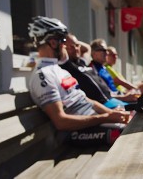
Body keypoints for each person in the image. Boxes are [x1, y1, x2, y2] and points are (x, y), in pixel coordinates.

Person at [28, 16, 130, 145]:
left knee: (134, 121)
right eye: (63, 41)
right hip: (75, 131)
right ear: (53, 43)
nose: (65, 45)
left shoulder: (59, 70)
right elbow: (61, 122)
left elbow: (86, 100)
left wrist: (112, 113)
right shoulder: (43, 75)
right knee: (129, 135)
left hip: (93, 121)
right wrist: (106, 117)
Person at [61, 33, 129, 109]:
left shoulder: (82, 62)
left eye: (77, 45)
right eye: (71, 46)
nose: (76, 48)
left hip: (111, 100)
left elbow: (87, 48)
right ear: (63, 47)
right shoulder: (67, 65)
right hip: (103, 105)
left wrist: (73, 41)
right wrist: (65, 39)